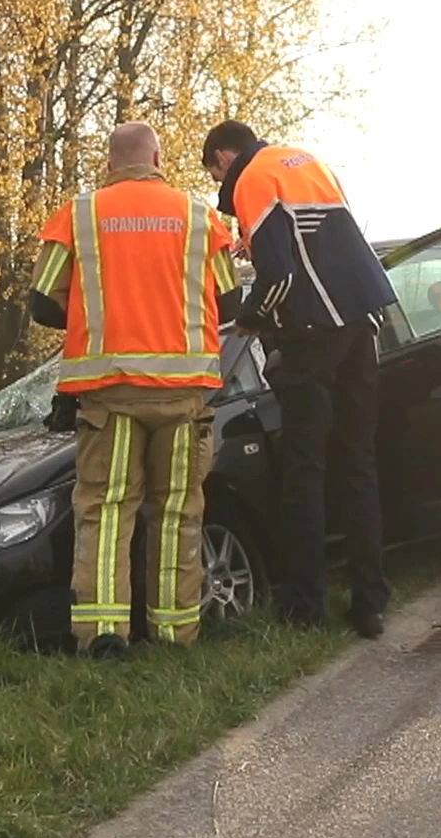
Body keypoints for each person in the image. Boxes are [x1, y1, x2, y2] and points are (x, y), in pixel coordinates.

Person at [34, 121, 239, 656]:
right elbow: (232, 301)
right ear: (158, 155)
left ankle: (104, 636)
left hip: (109, 396)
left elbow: (40, 301)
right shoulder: (200, 216)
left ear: (110, 161)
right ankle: (176, 634)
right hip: (183, 395)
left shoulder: (79, 215)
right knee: (177, 514)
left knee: (104, 512)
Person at [203, 119, 398, 638]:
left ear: (224, 156)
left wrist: (248, 319)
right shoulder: (305, 161)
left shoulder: (251, 178)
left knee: (303, 469)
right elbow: (322, 242)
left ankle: (304, 604)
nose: (221, 184)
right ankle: (369, 601)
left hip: (313, 333)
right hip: (363, 320)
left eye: (215, 171)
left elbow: (282, 276)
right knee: (358, 462)